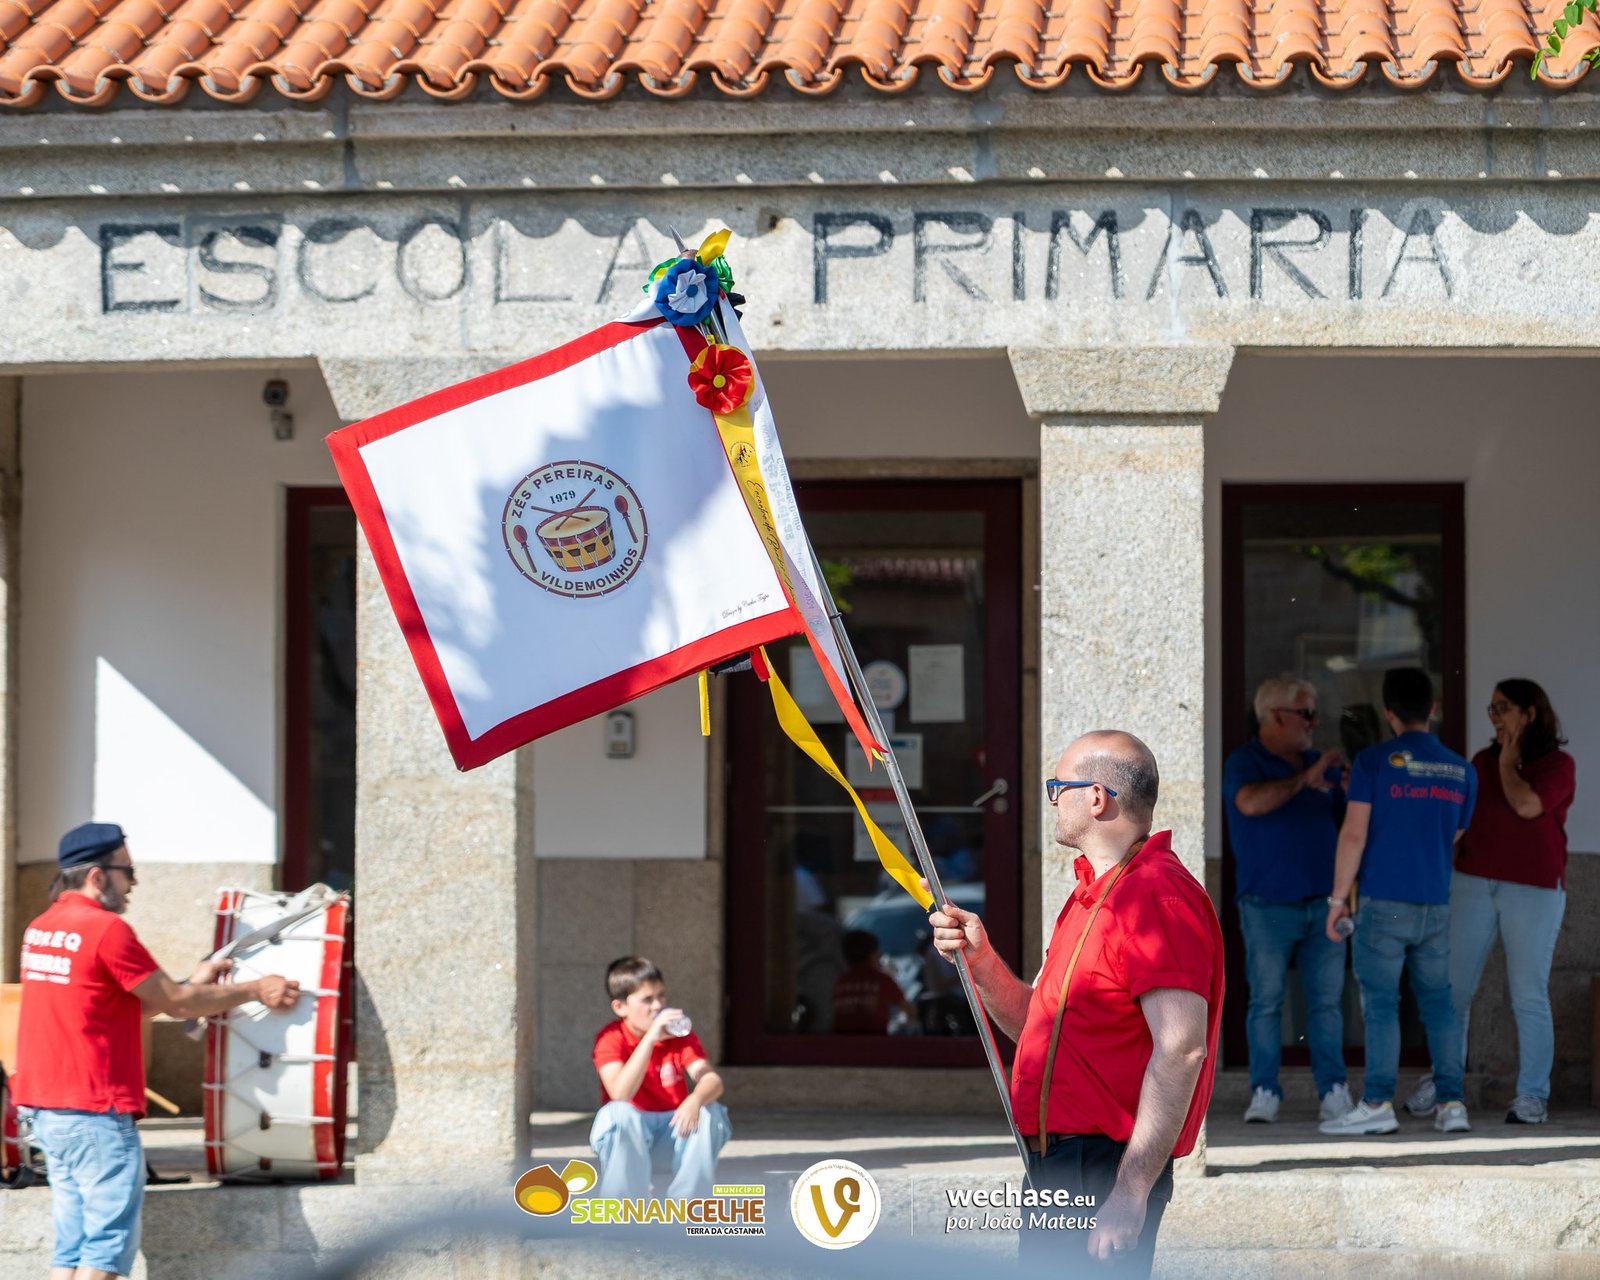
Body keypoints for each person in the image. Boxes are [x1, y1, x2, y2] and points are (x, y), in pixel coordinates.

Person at [931, 731, 1223, 1277]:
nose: (1051, 800)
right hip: (1063, 1163)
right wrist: (981, 959)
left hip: (1102, 1167)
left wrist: (1130, 1191)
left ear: (1095, 797)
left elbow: (1182, 1046)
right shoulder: (1093, 894)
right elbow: (1037, 1026)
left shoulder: (1156, 895)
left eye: (1056, 787)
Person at [14, 823, 301, 1280]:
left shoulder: (42, 928)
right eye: (127, 871)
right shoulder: (105, 929)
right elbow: (176, 1003)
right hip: (95, 1111)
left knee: (71, 1247)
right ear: (96, 876)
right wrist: (255, 989)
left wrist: (190, 984)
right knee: (105, 1247)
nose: (133, 884)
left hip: (47, 1112)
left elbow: (121, 1005)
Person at [1403, 679, 1577, 1125]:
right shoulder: (1479, 762)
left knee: (1527, 994)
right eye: (1491, 708)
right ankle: (1445, 1087)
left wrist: (1506, 762)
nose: (1494, 716)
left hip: (1534, 890)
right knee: (1452, 993)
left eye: (1503, 707)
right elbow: (1459, 823)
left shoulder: (1558, 764)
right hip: (1473, 884)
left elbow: (1525, 805)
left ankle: (1532, 1096)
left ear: (1530, 713)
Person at [1321, 668, 1476, 1137]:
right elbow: (1456, 834)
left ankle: (1376, 1103)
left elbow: (1353, 834)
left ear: (1389, 713)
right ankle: (1452, 1105)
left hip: (1384, 902)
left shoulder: (1372, 762)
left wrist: (1336, 900)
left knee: (1382, 1005)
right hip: (1435, 902)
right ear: (1432, 709)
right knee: (1439, 1005)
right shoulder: (1461, 769)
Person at [1223, 675, 1352, 1124]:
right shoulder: (1245, 761)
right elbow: (1249, 803)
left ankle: (1334, 1091)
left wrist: (1347, 790)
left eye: (1315, 713)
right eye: (1306, 713)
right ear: (1275, 716)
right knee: (1267, 1001)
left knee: (1326, 1003)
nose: (1315, 723)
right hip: (1266, 906)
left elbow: (1347, 825)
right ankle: (1264, 1090)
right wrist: (1305, 781)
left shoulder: (1319, 763)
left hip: (1324, 904)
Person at [590, 956, 730, 1200]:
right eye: (647, 1000)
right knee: (616, 1113)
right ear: (620, 1007)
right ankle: (622, 1208)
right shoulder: (611, 1038)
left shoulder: (679, 1036)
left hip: (673, 1136)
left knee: (712, 1111)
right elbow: (620, 1094)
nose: (657, 1006)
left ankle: (688, 1204)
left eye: (661, 996)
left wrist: (695, 1099)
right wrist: (650, 1039)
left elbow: (712, 1081)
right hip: (631, 1142)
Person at [831, 929, 915, 1034]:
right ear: (872, 955)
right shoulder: (881, 980)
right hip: (874, 1043)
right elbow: (909, 1010)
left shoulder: (841, 982)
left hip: (842, 1044)